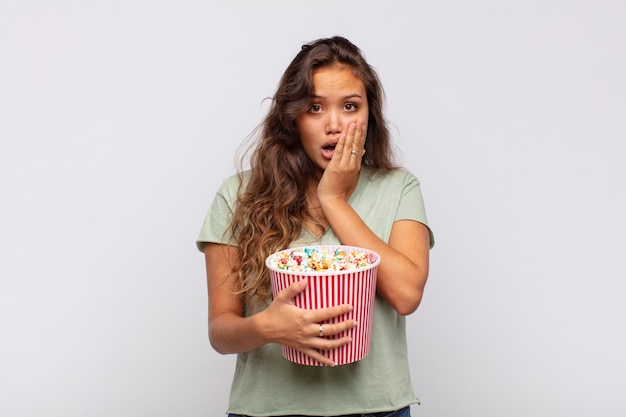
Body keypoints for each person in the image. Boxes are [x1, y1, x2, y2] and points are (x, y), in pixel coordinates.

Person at [197, 36, 434, 417]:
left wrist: (334, 199)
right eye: (315, 107)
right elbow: (220, 332)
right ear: (292, 117)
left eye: (351, 106)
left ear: (369, 115)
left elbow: (406, 295)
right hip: (268, 411)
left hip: (376, 410)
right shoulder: (237, 194)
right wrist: (268, 328)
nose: (335, 124)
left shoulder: (398, 187)